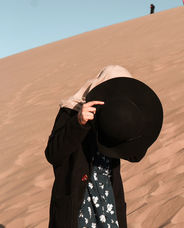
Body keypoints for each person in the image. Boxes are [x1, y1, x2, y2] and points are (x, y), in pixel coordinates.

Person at [45, 65, 163, 228]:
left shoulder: (118, 115)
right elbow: (53, 154)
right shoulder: (71, 111)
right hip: (77, 201)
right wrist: (78, 124)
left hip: (108, 200)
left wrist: (135, 121)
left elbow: (135, 155)